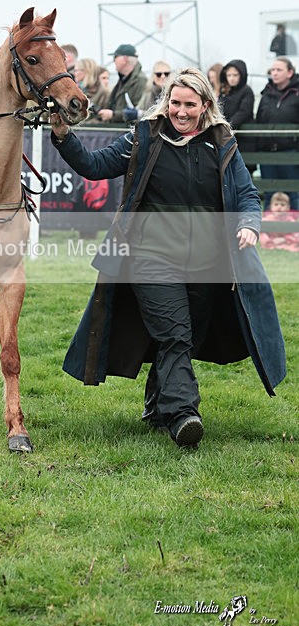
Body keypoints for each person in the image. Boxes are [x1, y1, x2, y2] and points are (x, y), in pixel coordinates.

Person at [49, 67, 285, 449]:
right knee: (174, 334)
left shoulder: (222, 142)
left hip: (209, 265)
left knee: (187, 338)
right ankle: (183, 415)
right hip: (150, 258)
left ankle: (158, 405)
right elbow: (94, 166)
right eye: (175, 103)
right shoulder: (145, 137)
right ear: (166, 102)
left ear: (205, 105)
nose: (181, 111)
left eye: (190, 104)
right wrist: (63, 136)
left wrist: (249, 224)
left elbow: (246, 194)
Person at [256, 56, 299, 211]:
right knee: (269, 194)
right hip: (267, 153)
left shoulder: (297, 94)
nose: (274, 73)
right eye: (272, 70)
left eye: (279, 70)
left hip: (291, 153)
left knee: (294, 194)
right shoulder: (266, 94)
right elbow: (259, 121)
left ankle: (296, 226)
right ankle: (268, 226)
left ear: (290, 72)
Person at [218, 59, 255, 172]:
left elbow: (244, 112)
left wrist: (227, 126)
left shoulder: (247, 91)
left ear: (242, 75)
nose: (232, 78)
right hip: (228, 138)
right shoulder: (224, 92)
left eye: (235, 75)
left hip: (244, 139)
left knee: (244, 170)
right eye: (229, 75)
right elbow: (219, 110)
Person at [97, 44, 147, 124]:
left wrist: (113, 115)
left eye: (115, 57)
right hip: (119, 128)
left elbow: (138, 112)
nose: (113, 61)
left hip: (128, 129)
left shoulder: (141, 81)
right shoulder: (124, 79)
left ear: (125, 59)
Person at [74, 58, 111, 125]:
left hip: (93, 130)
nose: (74, 73)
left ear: (86, 71)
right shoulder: (77, 91)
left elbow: (102, 119)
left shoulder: (104, 93)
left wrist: (84, 125)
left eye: (76, 70)